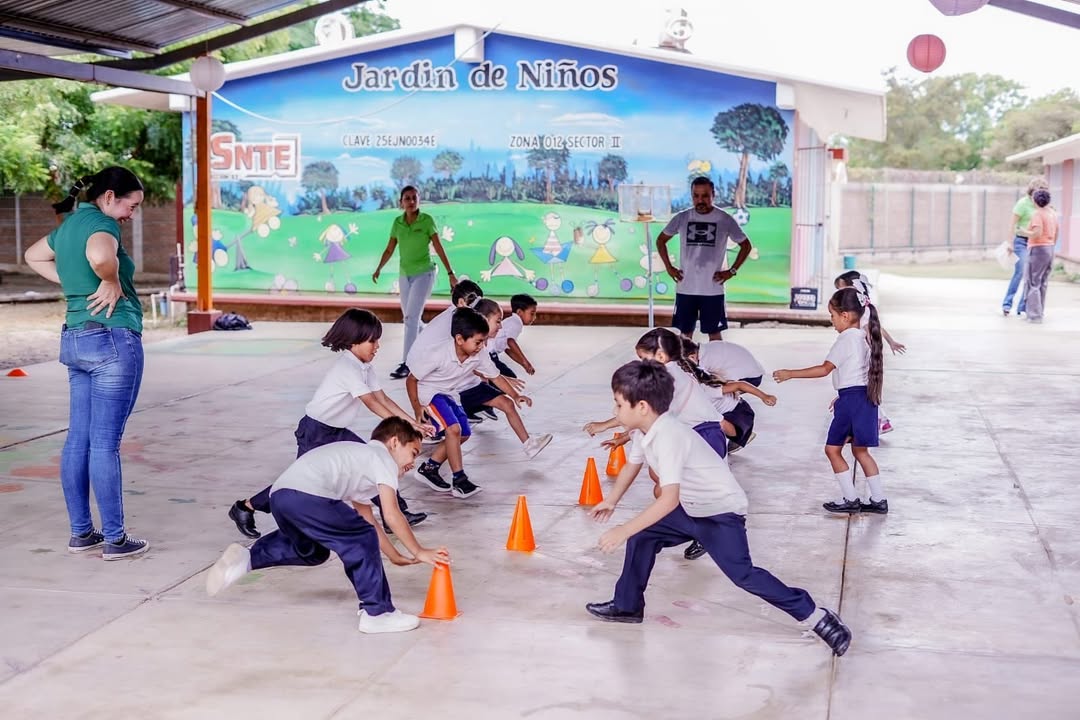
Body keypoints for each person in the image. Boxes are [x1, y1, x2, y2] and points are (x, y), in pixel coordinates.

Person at [583, 360, 852, 657]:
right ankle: (627, 606)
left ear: (642, 406)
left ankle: (818, 617)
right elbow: (632, 466)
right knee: (643, 538)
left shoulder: (669, 435)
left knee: (744, 575)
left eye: (619, 405)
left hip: (721, 512)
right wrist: (611, 501)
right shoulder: (642, 432)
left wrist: (624, 528)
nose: (614, 412)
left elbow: (668, 498)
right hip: (691, 508)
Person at [206, 417, 451, 634]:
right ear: (395, 442)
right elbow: (391, 514)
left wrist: (396, 556)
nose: (412, 463)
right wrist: (418, 551)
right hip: (308, 494)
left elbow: (368, 520)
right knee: (359, 537)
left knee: (313, 551)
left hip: (281, 496)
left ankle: (246, 559)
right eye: (414, 452)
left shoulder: (360, 461)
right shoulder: (381, 458)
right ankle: (377, 613)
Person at [23, 167, 150, 560]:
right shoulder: (102, 225)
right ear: (110, 197)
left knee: (79, 439)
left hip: (76, 337)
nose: (132, 213)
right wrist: (109, 280)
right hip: (113, 337)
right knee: (105, 444)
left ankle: (82, 533)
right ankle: (114, 539)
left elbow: (33, 256)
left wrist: (72, 285)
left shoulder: (72, 224)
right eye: (132, 205)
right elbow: (99, 256)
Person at [227, 309, 431, 540]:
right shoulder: (347, 368)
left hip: (336, 430)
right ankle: (245, 507)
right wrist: (405, 428)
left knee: (373, 461)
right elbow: (371, 403)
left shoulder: (364, 367)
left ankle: (395, 513)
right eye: (372, 340)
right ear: (354, 340)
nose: (377, 346)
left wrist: (413, 423)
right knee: (297, 484)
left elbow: (383, 398)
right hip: (316, 431)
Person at [773, 287, 887, 515]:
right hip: (863, 398)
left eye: (832, 316)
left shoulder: (846, 340)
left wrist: (790, 373)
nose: (832, 321)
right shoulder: (863, 338)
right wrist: (843, 394)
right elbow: (856, 375)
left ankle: (851, 498)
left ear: (845, 315)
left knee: (832, 450)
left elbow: (825, 369)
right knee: (861, 452)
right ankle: (878, 499)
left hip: (852, 402)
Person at [407, 308, 531, 498]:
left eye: (483, 341)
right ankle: (459, 479)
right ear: (459, 339)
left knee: (463, 433)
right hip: (429, 395)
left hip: (450, 394)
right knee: (453, 429)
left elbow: (496, 377)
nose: (481, 346)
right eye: (478, 342)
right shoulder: (438, 353)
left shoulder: (478, 355)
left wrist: (515, 395)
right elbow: (411, 379)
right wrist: (417, 409)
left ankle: (429, 468)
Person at [372, 186, 458, 380]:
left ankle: (408, 364)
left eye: (414, 198)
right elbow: (389, 249)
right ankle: (436, 338)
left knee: (411, 319)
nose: (411, 201)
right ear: (401, 202)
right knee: (412, 319)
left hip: (424, 273)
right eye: (407, 198)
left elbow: (438, 246)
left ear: (418, 200)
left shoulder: (426, 221)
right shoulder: (398, 223)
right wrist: (379, 268)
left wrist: (450, 273)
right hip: (405, 274)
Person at [656, 177, 753, 340]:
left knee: (714, 334)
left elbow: (746, 246)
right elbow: (661, 241)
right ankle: (685, 366)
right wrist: (669, 267)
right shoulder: (682, 218)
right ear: (692, 196)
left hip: (712, 289)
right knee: (685, 335)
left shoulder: (724, 219)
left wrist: (731, 271)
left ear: (713, 195)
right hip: (686, 288)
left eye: (705, 196)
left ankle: (716, 366)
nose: (700, 200)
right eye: (696, 196)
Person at [456, 298, 553, 455]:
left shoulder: (486, 345)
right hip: (455, 391)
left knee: (507, 404)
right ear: (484, 320)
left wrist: (515, 395)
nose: (501, 326)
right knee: (454, 432)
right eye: (498, 321)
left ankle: (530, 445)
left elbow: (493, 374)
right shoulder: (469, 342)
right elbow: (475, 369)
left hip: (472, 387)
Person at [834, 271, 904, 433]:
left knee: (862, 390)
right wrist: (891, 342)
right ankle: (880, 421)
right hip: (862, 353)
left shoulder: (861, 311)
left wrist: (868, 349)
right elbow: (875, 326)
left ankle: (879, 421)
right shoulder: (864, 308)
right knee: (864, 389)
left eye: (841, 289)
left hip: (861, 355)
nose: (839, 294)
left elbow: (870, 328)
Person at [1002, 177, 1049, 317]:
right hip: (1021, 241)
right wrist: (1009, 242)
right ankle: (1007, 303)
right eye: (1037, 191)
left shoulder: (1043, 205)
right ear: (1031, 191)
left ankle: (1023, 306)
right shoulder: (1022, 203)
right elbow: (1012, 224)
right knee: (1021, 271)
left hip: (1036, 243)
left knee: (1031, 276)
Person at [1023, 189, 1058, 324]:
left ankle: (1034, 315)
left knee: (1033, 282)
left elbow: (1036, 233)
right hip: (1049, 248)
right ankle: (1040, 311)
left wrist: (1023, 232)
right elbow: (1056, 232)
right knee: (1043, 282)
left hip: (1037, 249)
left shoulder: (1037, 214)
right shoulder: (1052, 214)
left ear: (1034, 200)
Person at [488, 293, 539, 378]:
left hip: (491, 354)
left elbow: (508, 349)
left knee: (508, 377)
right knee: (509, 378)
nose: (534, 317)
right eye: (532, 313)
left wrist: (523, 363)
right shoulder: (516, 323)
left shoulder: (511, 321)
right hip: (490, 355)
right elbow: (510, 342)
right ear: (519, 312)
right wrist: (526, 362)